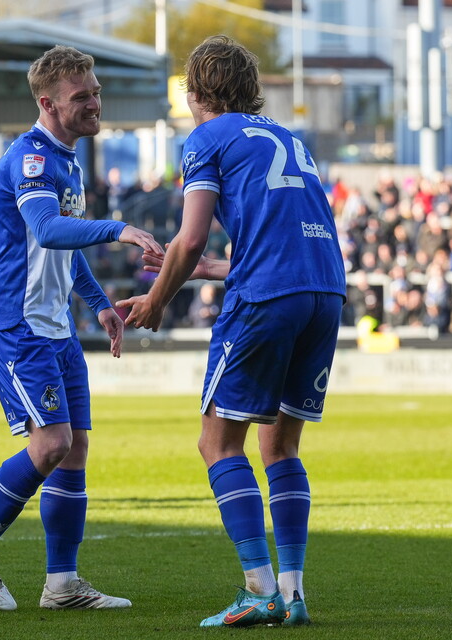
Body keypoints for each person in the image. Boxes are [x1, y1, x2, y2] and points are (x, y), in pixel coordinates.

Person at [117, 35, 345, 628]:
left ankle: (259, 589)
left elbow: (190, 240)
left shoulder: (206, 137)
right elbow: (270, 236)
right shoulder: (288, 137)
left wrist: (160, 300)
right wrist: (198, 269)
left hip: (270, 295)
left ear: (195, 93)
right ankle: (293, 594)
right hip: (324, 288)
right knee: (281, 445)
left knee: (218, 443)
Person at [0, 45, 162, 612]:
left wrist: (100, 304)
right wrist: (121, 229)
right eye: (81, 96)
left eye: (95, 91)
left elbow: (65, 253)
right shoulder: (31, 159)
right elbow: (45, 230)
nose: (94, 102)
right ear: (48, 103)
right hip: (16, 324)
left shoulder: (66, 159)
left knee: (75, 449)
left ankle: (62, 584)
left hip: (56, 326)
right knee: (52, 443)